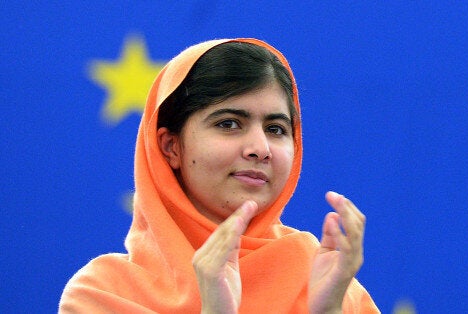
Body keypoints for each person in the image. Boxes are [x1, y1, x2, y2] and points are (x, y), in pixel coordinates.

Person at [59, 38, 379, 313]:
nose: (260, 148)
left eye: (276, 129)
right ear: (171, 146)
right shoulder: (104, 294)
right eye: (228, 123)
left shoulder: (328, 281)